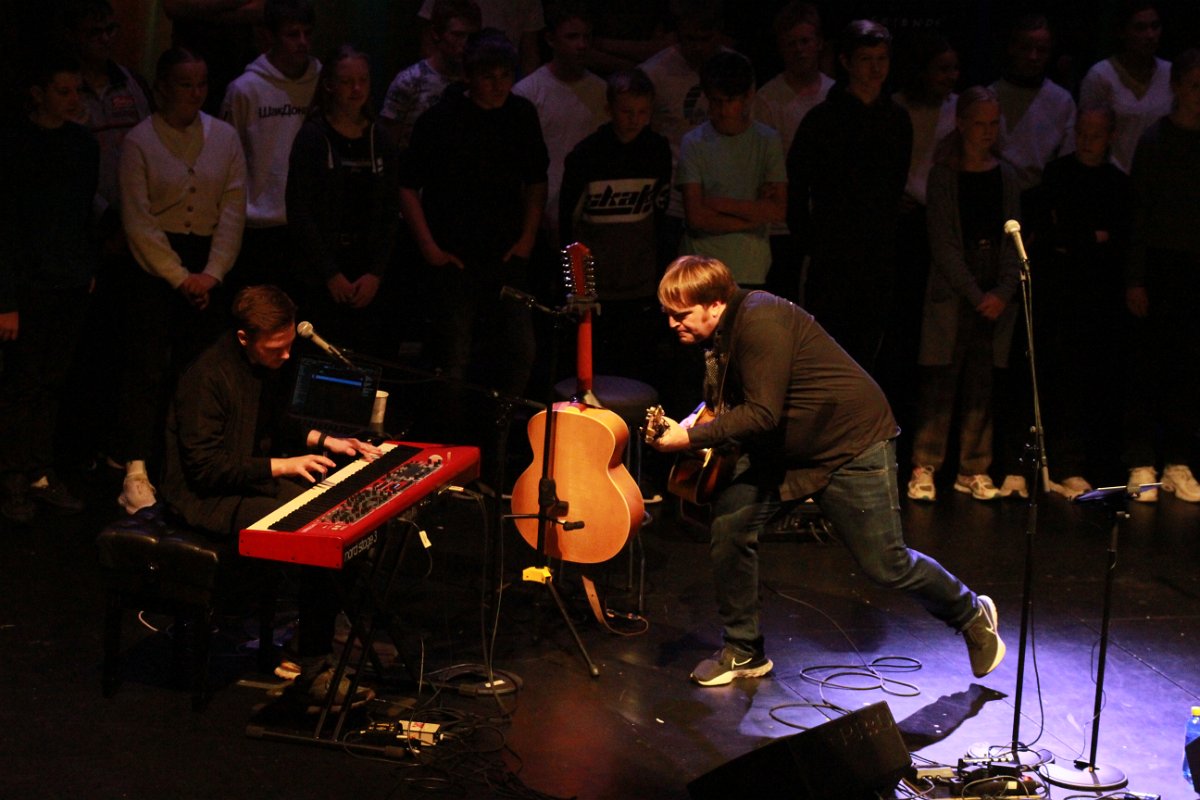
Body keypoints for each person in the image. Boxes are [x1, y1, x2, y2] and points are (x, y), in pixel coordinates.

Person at [646, 255, 1005, 686]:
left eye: (681, 315)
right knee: (732, 524)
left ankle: (971, 613)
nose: (672, 324)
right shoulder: (723, 331)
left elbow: (762, 414)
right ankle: (744, 651)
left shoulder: (760, 321)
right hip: (790, 448)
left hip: (849, 444)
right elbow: (733, 400)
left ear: (716, 304)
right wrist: (690, 422)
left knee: (885, 564)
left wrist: (688, 439)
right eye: (668, 314)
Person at [161, 284, 379, 708]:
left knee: (341, 515)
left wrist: (325, 440)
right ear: (244, 337)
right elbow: (206, 469)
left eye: (289, 345)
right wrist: (282, 465)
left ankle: (307, 643)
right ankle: (312, 663)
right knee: (319, 533)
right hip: (205, 500)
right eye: (276, 348)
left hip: (244, 482)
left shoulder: (260, 364)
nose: (286, 355)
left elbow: (274, 420)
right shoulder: (206, 378)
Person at [115, 46, 247, 514]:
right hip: (154, 268)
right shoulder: (140, 141)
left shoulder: (225, 137)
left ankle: (191, 467)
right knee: (146, 368)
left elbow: (233, 209)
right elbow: (139, 220)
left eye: (201, 84)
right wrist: (179, 277)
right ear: (162, 88)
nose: (195, 93)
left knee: (200, 371)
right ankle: (135, 470)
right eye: (185, 84)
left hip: (207, 263)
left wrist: (212, 273)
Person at [398, 30, 548, 407]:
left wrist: (527, 239)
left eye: (505, 76)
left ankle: (500, 429)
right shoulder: (440, 120)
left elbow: (536, 179)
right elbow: (407, 186)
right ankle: (449, 435)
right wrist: (430, 248)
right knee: (454, 358)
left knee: (521, 350)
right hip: (455, 260)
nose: (498, 86)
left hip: (507, 257)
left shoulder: (521, 114)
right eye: (488, 77)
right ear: (469, 77)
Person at [906, 87, 1021, 503]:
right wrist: (976, 294)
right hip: (956, 289)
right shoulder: (944, 175)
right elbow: (944, 245)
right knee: (941, 378)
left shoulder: (1006, 175)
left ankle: (973, 468)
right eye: (979, 123)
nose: (987, 132)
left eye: (993, 124)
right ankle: (925, 465)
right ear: (961, 124)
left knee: (982, 381)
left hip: (994, 285)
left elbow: (1013, 237)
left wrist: (1003, 291)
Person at [0, 53, 99, 523]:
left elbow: (82, 213)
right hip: (28, 285)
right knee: (22, 383)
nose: (73, 99)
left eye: (77, 90)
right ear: (38, 94)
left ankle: (39, 470)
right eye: (63, 91)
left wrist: (87, 267)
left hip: (69, 281)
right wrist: (6, 300)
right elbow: (7, 227)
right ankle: (13, 476)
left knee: (53, 382)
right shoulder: (16, 144)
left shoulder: (82, 144)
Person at [787, 19, 911, 376]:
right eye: (866, 59)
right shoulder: (822, 120)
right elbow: (797, 187)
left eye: (882, 59)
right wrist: (811, 241)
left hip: (878, 256)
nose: (876, 68)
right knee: (826, 350)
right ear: (846, 62)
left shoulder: (897, 119)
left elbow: (894, 187)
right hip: (832, 256)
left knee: (868, 352)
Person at [558, 67, 671, 384]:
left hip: (641, 283)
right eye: (626, 111)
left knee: (637, 371)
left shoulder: (657, 150)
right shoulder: (586, 155)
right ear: (609, 109)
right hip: (597, 287)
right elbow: (569, 223)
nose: (635, 119)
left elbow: (660, 217)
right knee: (597, 371)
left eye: (643, 112)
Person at [285, 45, 400, 355]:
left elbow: (391, 211)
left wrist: (375, 273)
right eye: (347, 82)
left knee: (366, 356)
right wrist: (330, 273)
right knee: (320, 357)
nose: (356, 89)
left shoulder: (379, 138)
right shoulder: (313, 137)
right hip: (322, 273)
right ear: (329, 85)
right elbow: (299, 209)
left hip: (367, 272)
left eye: (363, 80)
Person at [1122, 49, 1200, 503]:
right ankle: (1140, 461)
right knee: (1147, 365)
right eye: (1194, 86)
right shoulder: (1156, 139)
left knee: (1187, 367)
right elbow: (1140, 213)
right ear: (1177, 87)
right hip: (1158, 265)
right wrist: (1135, 278)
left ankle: (1179, 461)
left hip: (1194, 267)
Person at [220, 0, 319, 291]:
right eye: (292, 34)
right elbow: (227, 155)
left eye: (307, 33)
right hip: (259, 223)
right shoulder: (245, 89)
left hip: (309, 221)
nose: (302, 42)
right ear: (271, 37)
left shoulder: (322, 81)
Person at [677, 51, 786, 288]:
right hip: (701, 271)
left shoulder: (767, 141)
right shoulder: (693, 142)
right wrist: (752, 218)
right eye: (716, 101)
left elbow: (777, 210)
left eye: (730, 101)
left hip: (752, 268)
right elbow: (696, 217)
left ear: (748, 96)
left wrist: (718, 204)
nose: (723, 110)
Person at [751, 1, 832, 302]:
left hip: (826, 219)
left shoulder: (835, 94)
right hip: (783, 225)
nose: (799, 50)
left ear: (818, 43)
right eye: (791, 43)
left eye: (805, 41)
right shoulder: (767, 99)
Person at [513, 1, 608, 239]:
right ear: (551, 39)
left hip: (590, 214)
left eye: (586, 37)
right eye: (572, 37)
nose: (582, 45)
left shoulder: (603, 92)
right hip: (540, 215)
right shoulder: (528, 92)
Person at [1079, 1, 1172, 175]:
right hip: (1110, 177)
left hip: (1158, 176)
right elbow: (1086, 135)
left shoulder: (1169, 74)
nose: (1150, 35)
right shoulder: (1101, 76)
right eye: (1140, 28)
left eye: (1155, 26)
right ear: (1122, 32)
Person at [380, 0, 481, 151]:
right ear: (436, 34)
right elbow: (388, 144)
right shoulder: (411, 81)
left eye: (471, 36)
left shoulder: (479, 81)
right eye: (457, 35)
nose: (465, 43)